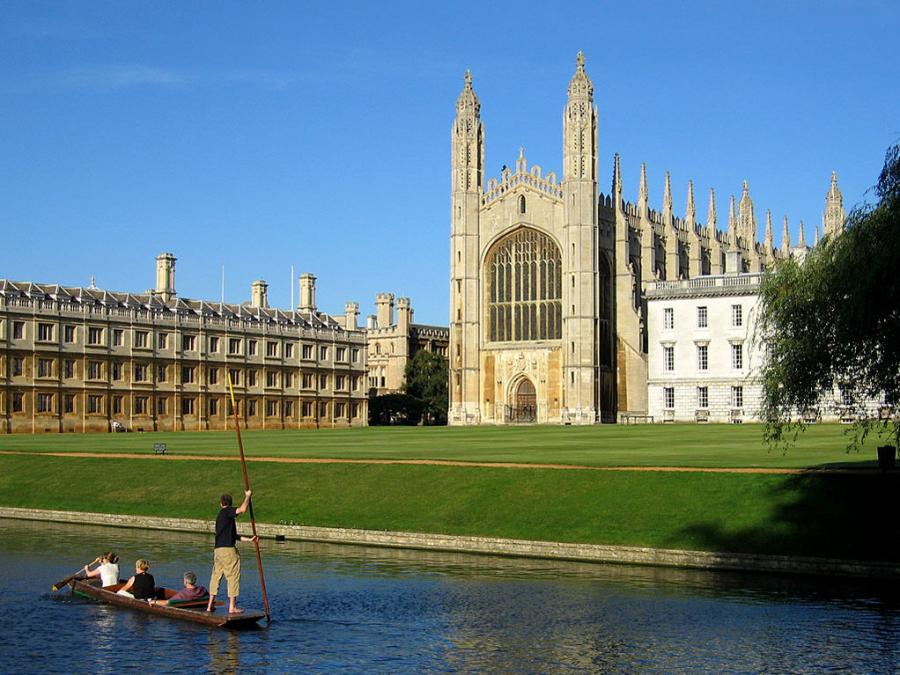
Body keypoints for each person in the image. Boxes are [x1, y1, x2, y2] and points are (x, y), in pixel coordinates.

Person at [206, 490, 258, 615]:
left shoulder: (221, 516)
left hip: (218, 551)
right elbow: (243, 509)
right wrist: (248, 496)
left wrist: (250, 540)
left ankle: (209, 606)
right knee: (233, 576)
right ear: (229, 504)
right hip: (228, 551)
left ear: (220, 503)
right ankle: (232, 608)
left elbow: (235, 536)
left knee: (216, 576)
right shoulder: (227, 511)